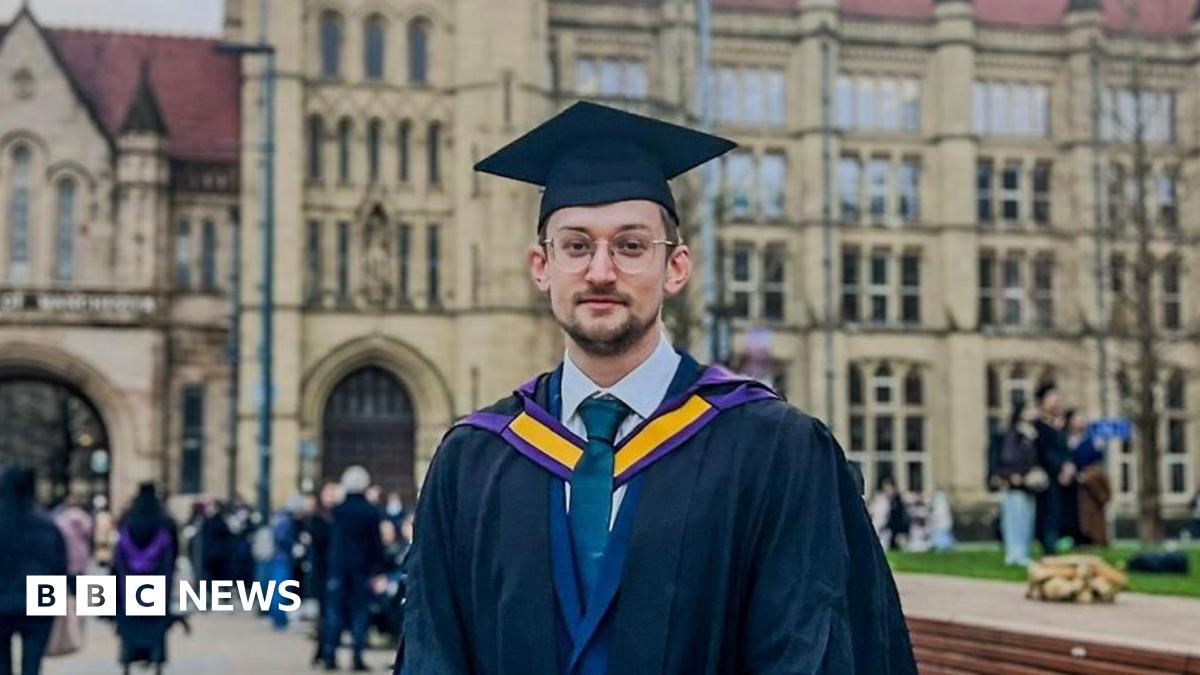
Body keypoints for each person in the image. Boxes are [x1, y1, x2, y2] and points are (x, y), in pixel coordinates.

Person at [399, 102, 915, 674]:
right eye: (576, 246)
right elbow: (433, 655)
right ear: (541, 266)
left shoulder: (775, 452)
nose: (600, 271)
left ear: (676, 267)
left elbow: (810, 653)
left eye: (630, 245)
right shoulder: (474, 460)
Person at [0, 467, 67, 675]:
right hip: (40, 600)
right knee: (33, 666)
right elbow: (59, 565)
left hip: (2, 601)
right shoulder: (47, 525)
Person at [321, 466, 385, 672]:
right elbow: (376, 543)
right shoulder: (370, 511)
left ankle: (330, 654)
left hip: (339, 567)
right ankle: (357, 656)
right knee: (360, 612)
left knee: (335, 612)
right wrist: (378, 567)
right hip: (362, 568)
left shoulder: (338, 511)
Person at [113, 483, 178, 675]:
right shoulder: (165, 522)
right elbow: (173, 554)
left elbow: (118, 554)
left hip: (129, 581)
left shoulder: (127, 520)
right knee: (155, 627)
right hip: (157, 581)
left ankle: (127, 659)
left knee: (130, 625)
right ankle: (157, 660)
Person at [998, 402, 1043, 566]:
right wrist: (1012, 474)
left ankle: (1023, 552)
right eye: (1029, 409)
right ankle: (1014, 554)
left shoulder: (1033, 434)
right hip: (1016, 484)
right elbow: (1009, 457)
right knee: (1014, 519)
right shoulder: (1015, 434)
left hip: (1029, 484)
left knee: (1026, 520)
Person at [1033, 383, 1074, 555]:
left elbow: (1065, 449)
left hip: (1060, 478)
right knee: (1048, 513)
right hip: (1046, 477)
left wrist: (1068, 465)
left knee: (1057, 512)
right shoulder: (1039, 426)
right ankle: (1049, 547)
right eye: (1052, 398)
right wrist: (1061, 466)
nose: (1056, 403)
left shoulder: (1059, 427)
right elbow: (1044, 451)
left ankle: (1055, 544)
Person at [1065, 410, 1109, 547]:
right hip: (1071, 485)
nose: (1080, 422)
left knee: (1090, 513)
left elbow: (1098, 463)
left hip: (1088, 484)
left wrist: (1088, 475)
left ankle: (1091, 538)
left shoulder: (1094, 441)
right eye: (1077, 419)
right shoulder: (1067, 440)